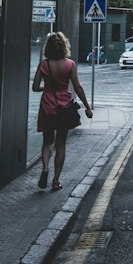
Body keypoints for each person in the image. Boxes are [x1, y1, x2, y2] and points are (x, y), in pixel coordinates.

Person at [32, 31, 92, 192]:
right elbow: (77, 87)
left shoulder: (44, 65)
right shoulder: (70, 64)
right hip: (64, 106)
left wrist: (48, 87)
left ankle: (45, 167)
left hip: (47, 105)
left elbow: (35, 87)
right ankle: (56, 180)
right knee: (61, 144)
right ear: (64, 46)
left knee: (47, 141)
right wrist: (87, 106)